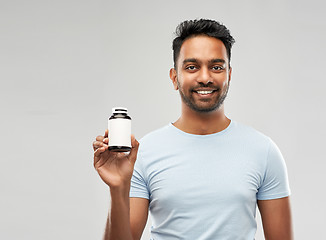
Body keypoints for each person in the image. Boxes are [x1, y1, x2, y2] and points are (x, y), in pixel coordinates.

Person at [93, 19, 293, 240]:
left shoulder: (263, 151)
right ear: (174, 77)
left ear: (229, 74)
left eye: (216, 67)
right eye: (192, 67)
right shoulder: (143, 152)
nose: (205, 77)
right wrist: (118, 187)